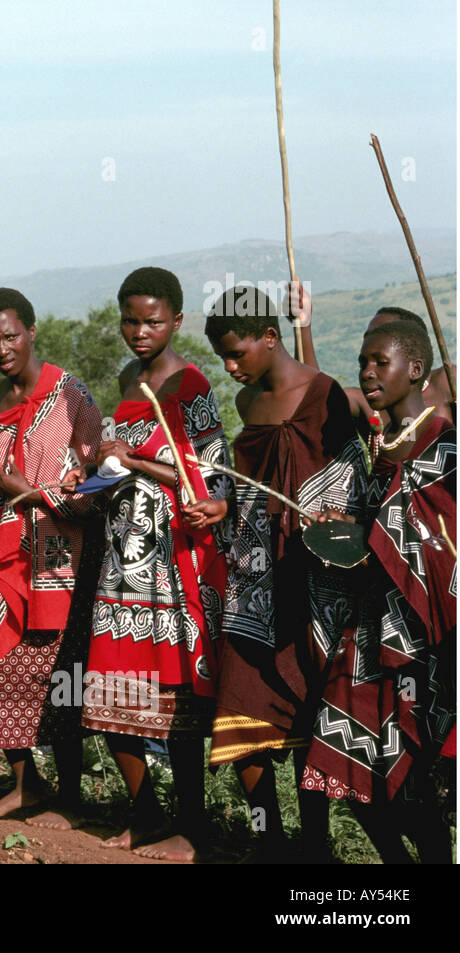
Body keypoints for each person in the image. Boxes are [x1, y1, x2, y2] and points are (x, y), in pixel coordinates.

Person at [205, 284, 367, 861]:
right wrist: (223, 507)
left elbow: (339, 460)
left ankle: (316, 847)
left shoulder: (328, 396)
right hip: (253, 582)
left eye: (236, 353)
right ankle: (268, 839)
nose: (228, 367)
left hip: (312, 581)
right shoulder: (249, 405)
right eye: (222, 355)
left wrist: (306, 326)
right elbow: (250, 487)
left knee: (306, 709)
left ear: (269, 338)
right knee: (239, 703)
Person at [75, 267, 231, 862]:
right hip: (120, 559)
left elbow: (208, 478)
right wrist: (98, 466)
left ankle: (189, 828)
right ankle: (144, 815)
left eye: (154, 321)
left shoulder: (191, 387)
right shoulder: (127, 381)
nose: (141, 332)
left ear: (177, 322)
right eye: (131, 321)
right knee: (113, 696)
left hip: (171, 564)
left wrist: (132, 459)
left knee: (176, 702)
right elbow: (121, 460)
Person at [303, 319, 455, 863]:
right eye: (362, 361)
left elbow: (442, 542)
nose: (367, 372)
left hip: (423, 641)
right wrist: (343, 526)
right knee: (341, 761)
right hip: (369, 634)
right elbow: (378, 530)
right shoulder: (381, 445)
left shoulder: (446, 448)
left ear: (415, 370)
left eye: (379, 362)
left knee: (418, 784)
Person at [0, 287, 102, 822]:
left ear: (32, 331)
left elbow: (96, 484)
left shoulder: (72, 394)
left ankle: (69, 796)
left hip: (60, 557)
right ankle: (26, 783)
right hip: (4, 556)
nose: (1, 349)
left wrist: (33, 492)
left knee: (58, 673)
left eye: (10, 336)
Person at [290, 286, 456, 432]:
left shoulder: (447, 382)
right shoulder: (364, 401)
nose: (372, 345)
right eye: (369, 338)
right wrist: (303, 326)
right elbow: (314, 401)